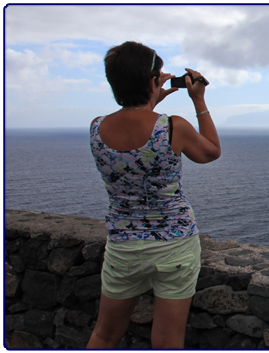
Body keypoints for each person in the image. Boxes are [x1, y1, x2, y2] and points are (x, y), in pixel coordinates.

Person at [87, 41, 221, 348]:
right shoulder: (173, 127)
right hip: (175, 245)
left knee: (105, 334)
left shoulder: (97, 128)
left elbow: (135, 124)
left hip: (123, 246)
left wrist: (148, 98)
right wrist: (199, 100)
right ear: (153, 81)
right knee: (167, 341)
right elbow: (211, 152)